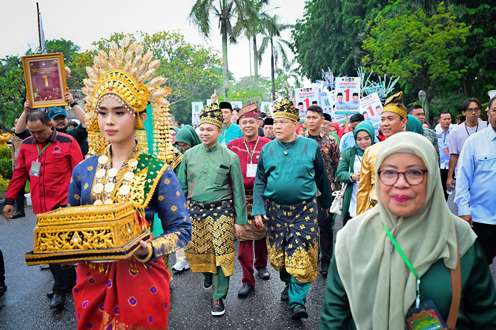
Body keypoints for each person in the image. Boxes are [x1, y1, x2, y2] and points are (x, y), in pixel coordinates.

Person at [67, 40, 191, 329]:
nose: (109, 121)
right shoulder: (83, 171)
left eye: (119, 112)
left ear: (139, 116)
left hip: (142, 278)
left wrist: (151, 248)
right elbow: (70, 223)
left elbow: (181, 230)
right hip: (92, 282)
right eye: (102, 112)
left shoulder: (157, 171)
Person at [320, 132, 496, 329]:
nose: (400, 183)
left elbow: (485, 318)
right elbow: (334, 317)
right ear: (377, 176)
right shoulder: (352, 237)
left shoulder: (459, 238)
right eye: (389, 172)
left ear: (432, 177)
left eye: (414, 173)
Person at [252, 98, 331, 320]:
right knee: (281, 257)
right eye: (275, 122)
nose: (277, 126)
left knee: (302, 253)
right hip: (276, 211)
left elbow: (321, 177)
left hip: (304, 210)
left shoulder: (310, 147)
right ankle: (289, 283)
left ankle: (298, 300)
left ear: (295, 124)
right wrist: (258, 208)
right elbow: (260, 181)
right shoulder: (268, 149)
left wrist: (326, 204)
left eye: (282, 122)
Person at [2, 110, 83, 311]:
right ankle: (65, 284)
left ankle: (60, 288)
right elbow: (20, 174)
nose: (36, 136)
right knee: (49, 249)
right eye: (32, 132)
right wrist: (10, 200)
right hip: (41, 208)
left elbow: (80, 172)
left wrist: (80, 202)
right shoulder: (28, 145)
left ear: (50, 125)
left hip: (64, 206)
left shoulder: (67, 142)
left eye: (39, 131)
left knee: (62, 248)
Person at [177, 103, 247, 317]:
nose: (205, 132)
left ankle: (218, 296)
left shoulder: (230, 157)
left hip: (222, 212)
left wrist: (240, 221)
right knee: (201, 253)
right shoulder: (188, 156)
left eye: (210, 129)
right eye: (202, 128)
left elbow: (238, 191)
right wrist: (180, 217)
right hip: (196, 212)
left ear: (219, 131)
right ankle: (208, 272)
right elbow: (181, 187)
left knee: (222, 254)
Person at [228, 103, 271, 298]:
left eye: (251, 122)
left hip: (262, 195)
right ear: (240, 124)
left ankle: (261, 265)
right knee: (244, 240)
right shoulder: (233, 146)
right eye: (244, 122)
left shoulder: (268, 145)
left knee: (261, 234)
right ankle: (247, 280)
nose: (248, 125)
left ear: (258, 123)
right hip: (240, 197)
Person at [455, 96, 496, 265]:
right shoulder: (474, 142)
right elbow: (463, 178)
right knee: (479, 268)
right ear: (488, 113)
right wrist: (464, 210)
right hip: (482, 219)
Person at [356, 92, 408, 215]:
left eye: (390, 119)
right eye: (382, 119)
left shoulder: (415, 149)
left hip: (406, 211)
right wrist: (360, 221)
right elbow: (364, 190)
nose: (384, 123)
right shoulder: (371, 151)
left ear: (403, 122)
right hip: (376, 212)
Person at [304, 105, 340, 277]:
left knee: (325, 225)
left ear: (321, 120)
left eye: (314, 117)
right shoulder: (299, 141)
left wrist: (336, 190)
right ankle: (311, 258)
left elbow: (336, 165)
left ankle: (326, 260)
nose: (311, 121)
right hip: (304, 190)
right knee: (306, 227)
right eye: (308, 117)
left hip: (326, 190)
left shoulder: (330, 142)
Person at [15, 91, 88, 156]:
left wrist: (73, 103)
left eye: (62, 118)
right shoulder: (41, 135)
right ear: (49, 122)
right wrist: (26, 112)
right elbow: (19, 132)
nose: (60, 121)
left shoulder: (73, 135)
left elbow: (86, 123)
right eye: (56, 119)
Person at [171, 124, 201, 273]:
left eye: (185, 145)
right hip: (182, 198)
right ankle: (182, 260)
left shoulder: (201, 154)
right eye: (180, 145)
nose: (183, 148)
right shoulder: (177, 157)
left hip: (199, 199)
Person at [334, 121, 375, 224]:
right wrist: (352, 176)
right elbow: (339, 174)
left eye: (366, 138)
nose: (363, 142)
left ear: (372, 137)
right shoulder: (349, 153)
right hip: (353, 197)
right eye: (359, 139)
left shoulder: (379, 152)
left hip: (373, 198)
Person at [447, 98, 487, 191]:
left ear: (480, 111)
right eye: (470, 110)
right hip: (463, 174)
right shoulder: (455, 131)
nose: (474, 112)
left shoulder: (486, 127)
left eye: (476, 109)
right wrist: (450, 177)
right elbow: (454, 155)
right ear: (464, 112)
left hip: (483, 174)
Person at [437, 111, 453, 199]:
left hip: (451, 165)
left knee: (449, 189)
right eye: (445, 119)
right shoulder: (436, 132)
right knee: (440, 189)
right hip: (440, 165)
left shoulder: (454, 131)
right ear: (440, 120)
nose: (447, 121)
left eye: (449, 119)